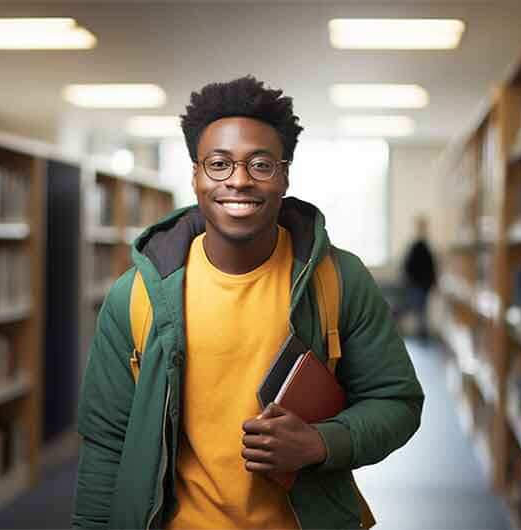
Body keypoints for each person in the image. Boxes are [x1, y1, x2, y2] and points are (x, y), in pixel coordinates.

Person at [72, 75, 424, 530]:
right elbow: (105, 443)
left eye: (260, 164)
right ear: (196, 176)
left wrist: (321, 443)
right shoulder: (135, 296)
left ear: (284, 176)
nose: (238, 180)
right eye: (219, 164)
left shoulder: (337, 279)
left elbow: (396, 401)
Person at [401, 215, 437, 341]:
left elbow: (431, 267)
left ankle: (421, 334)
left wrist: (432, 282)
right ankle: (420, 334)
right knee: (418, 309)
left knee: (421, 310)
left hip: (422, 285)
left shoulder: (424, 246)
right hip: (417, 285)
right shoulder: (416, 246)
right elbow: (408, 267)